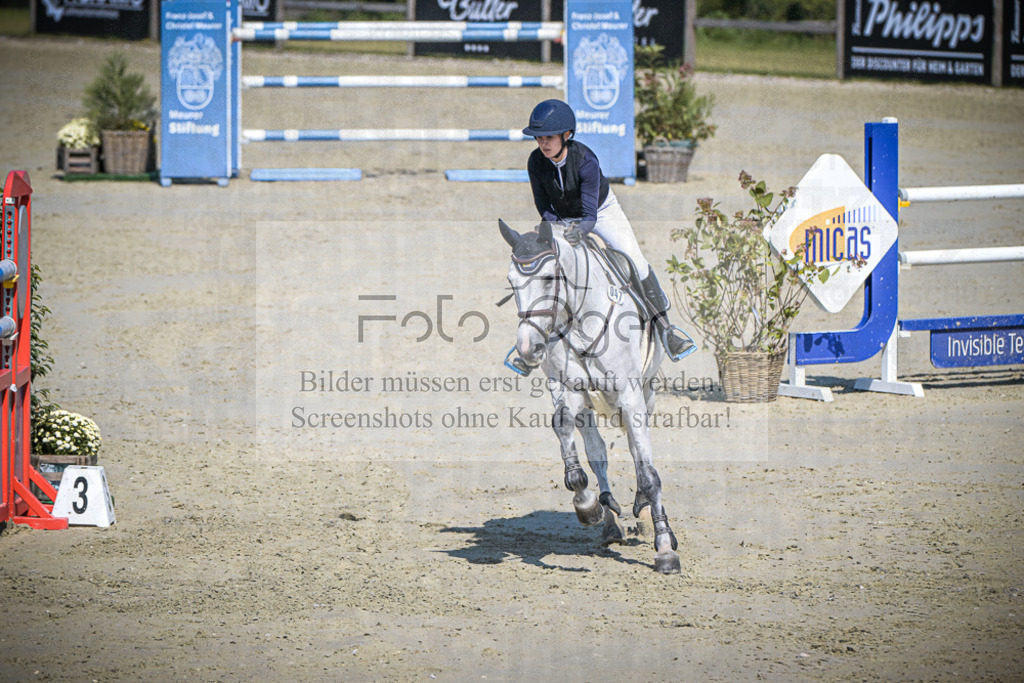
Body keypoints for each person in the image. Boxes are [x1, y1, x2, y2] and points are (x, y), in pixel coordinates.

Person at [509, 98, 694, 375]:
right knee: (545, 269)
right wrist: (555, 228)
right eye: (538, 138)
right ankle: (531, 347)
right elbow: (543, 206)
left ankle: (666, 330)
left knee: (635, 260)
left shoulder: (586, 161)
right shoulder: (535, 161)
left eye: (548, 137)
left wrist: (580, 231)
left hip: (600, 212)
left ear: (566, 135)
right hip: (559, 219)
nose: (543, 143)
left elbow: (590, 214)